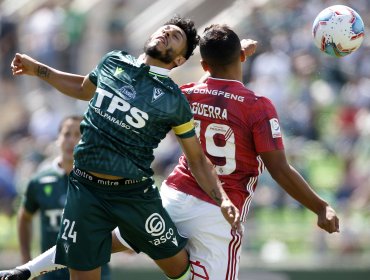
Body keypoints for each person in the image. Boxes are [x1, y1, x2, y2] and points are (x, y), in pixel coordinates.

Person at [1, 24, 339, 280]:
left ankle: (27, 269)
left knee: (101, 239)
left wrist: (234, 56)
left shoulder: (185, 94)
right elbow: (279, 169)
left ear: (202, 65)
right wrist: (320, 207)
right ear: (238, 58)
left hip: (172, 195)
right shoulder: (257, 106)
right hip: (217, 214)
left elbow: (191, 88)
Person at [3, 16, 241, 280]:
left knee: (180, 270)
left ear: (179, 60)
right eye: (165, 29)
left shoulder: (174, 100)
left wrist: (223, 199)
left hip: (134, 196)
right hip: (86, 189)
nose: (166, 33)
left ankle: (29, 269)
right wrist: (38, 70)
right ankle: (28, 270)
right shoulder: (113, 61)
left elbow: (196, 159)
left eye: (175, 37)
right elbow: (83, 88)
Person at [15, 116, 110, 280]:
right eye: (66, 134)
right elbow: (24, 217)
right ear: (58, 139)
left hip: (94, 271)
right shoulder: (39, 181)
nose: (71, 140)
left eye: (78, 135)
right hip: (51, 274)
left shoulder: (102, 181)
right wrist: (26, 257)